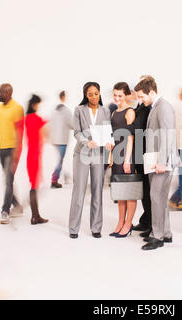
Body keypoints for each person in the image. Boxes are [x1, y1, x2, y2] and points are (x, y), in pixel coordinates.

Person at [135, 77, 180, 251]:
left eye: (142, 96)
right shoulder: (155, 107)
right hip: (156, 159)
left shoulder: (163, 107)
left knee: (156, 197)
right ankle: (166, 233)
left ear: (151, 92)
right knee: (159, 198)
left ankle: (157, 236)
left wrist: (162, 161)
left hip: (162, 161)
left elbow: (168, 135)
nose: (141, 100)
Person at [68, 82, 112, 239]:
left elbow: (108, 132)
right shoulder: (79, 110)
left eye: (96, 93)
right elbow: (77, 132)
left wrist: (109, 143)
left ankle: (96, 227)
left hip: (99, 154)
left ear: (100, 93)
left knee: (97, 191)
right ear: (85, 95)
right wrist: (86, 142)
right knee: (79, 191)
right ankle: (73, 228)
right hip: (82, 154)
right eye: (90, 94)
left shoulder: (105, 110)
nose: (94, 96)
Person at [0, 83, 24, 224]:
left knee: (8, 180)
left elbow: (20, 131)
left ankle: (5, 211)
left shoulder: (17, 108)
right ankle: (18, 206)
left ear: (8, 93)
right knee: (8, 180)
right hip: (2, 149)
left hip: (13, 149)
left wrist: (17, 150)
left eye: (0, 92)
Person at [109, 82, 137, 238]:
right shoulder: (114, 113)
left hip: (127, 156)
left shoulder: (130, 112)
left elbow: (130, 138)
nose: (117, 98)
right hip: (117, 156)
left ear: (126, 95)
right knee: (120, 193)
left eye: (120, 95)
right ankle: (120, 222)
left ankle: (128, 223)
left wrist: (127, 160)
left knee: (129, 193)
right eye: (115, 95)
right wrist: (112, 158)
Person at [132, 75, 153, 237]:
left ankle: (150, 223)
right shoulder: (139, 106)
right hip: (138, 154)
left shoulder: (150, 108)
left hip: (146, 153)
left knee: (148, 191)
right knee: (143, 190)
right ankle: (146, 220)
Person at [24, 94, 49, 225]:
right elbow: (47, 134)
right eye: (38, 104)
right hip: (35, 156)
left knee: (34, 186)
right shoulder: (37, 119)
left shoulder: (26, 118)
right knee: (34, 186)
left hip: (30, 155)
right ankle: (35, 216)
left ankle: (36, 215)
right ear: (34, 105)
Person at [48, 90, 73, 189]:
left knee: (57, 160)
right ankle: (54, 180)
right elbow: (72, 124)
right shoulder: (66, 111)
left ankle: (60, 176)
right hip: (62, 140)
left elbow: (49, 124)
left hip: (54, 140)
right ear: (64, 97)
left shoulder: (53, 110)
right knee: (59, 161)